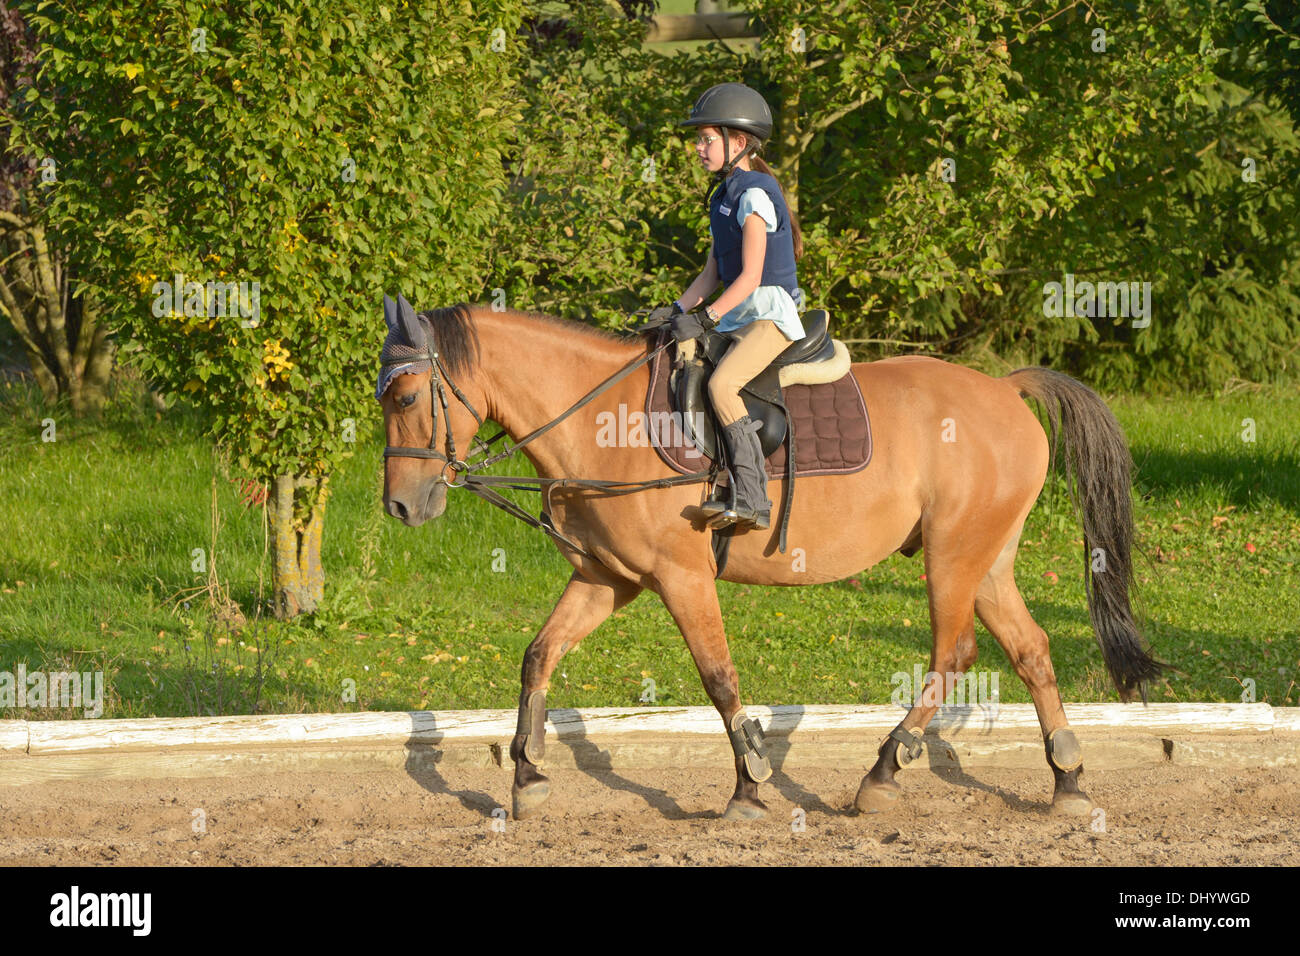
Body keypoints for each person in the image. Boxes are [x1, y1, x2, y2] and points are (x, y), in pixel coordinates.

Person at [646, 82, 806, 531]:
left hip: (769, 314)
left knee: (722, 386)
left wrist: (705, 317)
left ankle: (754, 498)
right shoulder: (723, 196)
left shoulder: (755, 194)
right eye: (698, 140)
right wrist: (674, 310)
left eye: (706, 139)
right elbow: (711, 275)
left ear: (738, 142)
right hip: (740, 310)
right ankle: (715, 479)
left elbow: (752, 277)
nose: (698, 148)